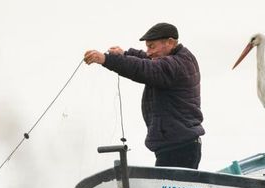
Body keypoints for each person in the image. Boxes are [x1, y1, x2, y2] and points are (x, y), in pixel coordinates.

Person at [83, 22, 205, 169]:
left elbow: (144, 68)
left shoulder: (176, 65)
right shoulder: (179, 58)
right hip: (179, 145)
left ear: (170, 42)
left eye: (151, 46)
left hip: (179, 149)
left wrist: (106, 59)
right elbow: (148, 60)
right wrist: (125, 54)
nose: (148, 51)